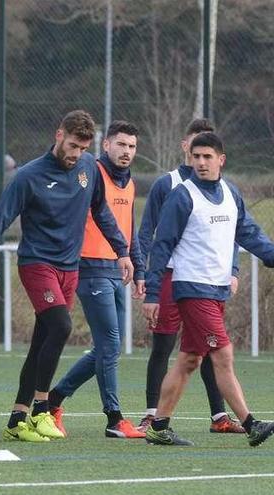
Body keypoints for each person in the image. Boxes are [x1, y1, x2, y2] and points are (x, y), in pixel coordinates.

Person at [0, 110, 133, 443]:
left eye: (83, 148)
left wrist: (123, 251)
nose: (76, 154)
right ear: (59, 135)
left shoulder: (88, 169)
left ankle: (17, 418)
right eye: (73, 145)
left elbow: (100, 211)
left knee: (41, 342)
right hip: (37, 265)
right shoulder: (28, 176)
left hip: (69, 269)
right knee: (61, 326)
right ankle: (42, 410)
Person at [142, 132, 274, 447]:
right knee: (223, 355)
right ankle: (251, 423)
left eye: (207, 157)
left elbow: (249, 232)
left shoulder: (231, 193)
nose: (200, 162)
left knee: (189, 359)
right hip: (192, 288)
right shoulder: (183, 195)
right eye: (196, 157)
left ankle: (159, 426)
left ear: (221, 159)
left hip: (217, 291)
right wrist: (151, 293)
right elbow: (162, 245)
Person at [136, 118, 243, 433]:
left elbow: (231, 233)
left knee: (203, 348)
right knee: (166, 345)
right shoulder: (168, 184)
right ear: (186, 145)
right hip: (173, 277)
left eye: (207, 152)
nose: (200, 158)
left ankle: (219, 416)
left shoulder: (223, 189)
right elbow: (150, 233)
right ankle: (152, 413)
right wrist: (146, 277)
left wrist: (233, 268)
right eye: (196, 148)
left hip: (207, 280)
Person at [45, 121, 146, 439]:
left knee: (108, 348)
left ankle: (55, 399)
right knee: (110, 345)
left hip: (118, 270)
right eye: (120, 144)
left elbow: (130, 230)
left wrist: (140, 269)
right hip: (90, 268)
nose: (126, 151)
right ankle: (114, 418)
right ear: (106, 145)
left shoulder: (129, 183)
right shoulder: (89, 172)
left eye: (131, 146)